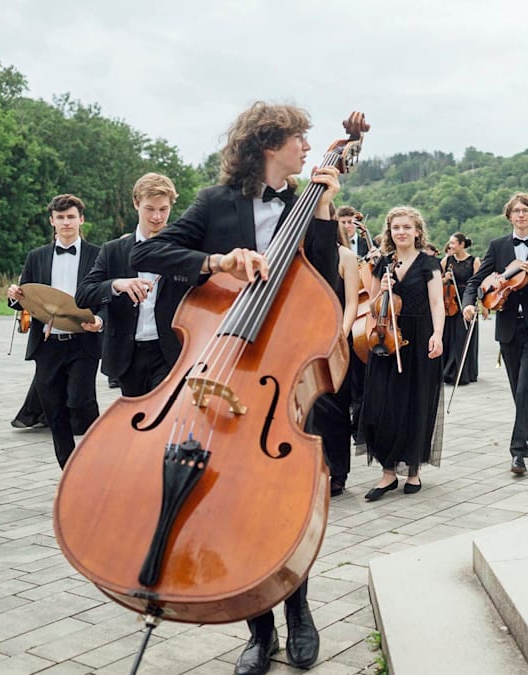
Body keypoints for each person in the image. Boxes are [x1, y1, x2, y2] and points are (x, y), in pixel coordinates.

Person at [130, 101, 343, 675]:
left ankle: (298, 611)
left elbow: (327, 289)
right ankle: (258, 630)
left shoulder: (305, 200)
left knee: (280, 500)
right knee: (228, 501)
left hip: (281, 369)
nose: (307, 148)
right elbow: (147, 251)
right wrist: (216, 262)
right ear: (270, 143)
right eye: (300, 138)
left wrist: (323, 213)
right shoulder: (215, 202)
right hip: (217, 361)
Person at [462, 192, 528, 475]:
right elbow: (477, 282)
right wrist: (470, 303)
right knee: (517, 388)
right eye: (515, 211)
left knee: (525, 386)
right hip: (508, 328)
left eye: (525, 210)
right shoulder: (498, 246)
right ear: (509, 216)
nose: (520, 215)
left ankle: (517, 452)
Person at [7, 194, 103, 468]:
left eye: (71, 217)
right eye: (60, 217)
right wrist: (14, 295)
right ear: (52, 221)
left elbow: (107, 297)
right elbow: (23, 298)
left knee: (80, 401)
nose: (66, 222)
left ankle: (99, 449)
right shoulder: (36, 256)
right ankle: (69, 468)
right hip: (47, 344)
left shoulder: (98, 254)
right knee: (54, 409)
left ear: (81, 220)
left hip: (83, 341)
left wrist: (100, 320)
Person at [359, 206, 445, 500]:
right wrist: (382, 290)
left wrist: (437, 335)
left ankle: (413, 471)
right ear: (390, 232)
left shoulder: (429, 264)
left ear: (417, 232)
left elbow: (437, 304)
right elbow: (371, 305)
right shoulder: (382, 262)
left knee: (416, 402)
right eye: (396, 228)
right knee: (383, 405)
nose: (401, 232)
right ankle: (387, 474)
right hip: (387, 338)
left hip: (419, 337)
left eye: (407, 227)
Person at [76, 173, 187, 397]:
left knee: (162, 417)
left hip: (170, 352)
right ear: (136, 203)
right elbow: (83, 295)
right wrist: (117, 285)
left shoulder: (183, 248)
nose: (157, 217)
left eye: (163, 209)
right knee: (135, 423)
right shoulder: (113, 250)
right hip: (126, 356)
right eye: (149, 209)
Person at [305, 203, 363, 497]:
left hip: (337, 338)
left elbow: (352, 301)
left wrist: (340, 334)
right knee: (310, 408)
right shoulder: (302, 257)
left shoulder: (346, 256)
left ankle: (338, 472)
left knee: (337, 408)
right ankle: (313, 469)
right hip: (305, 340)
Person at [441, 232, 480, 385]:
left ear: (462, 244)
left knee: (463, 336)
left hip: (467, 300)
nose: (450, 245)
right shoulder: (447, 260)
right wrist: (446, 278)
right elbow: (438, 280)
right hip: (450, 301)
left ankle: (464, 372)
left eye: (453, 243)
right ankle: (448, 371)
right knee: (450, 337)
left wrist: (480, 304)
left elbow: (478, 283)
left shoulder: (474, 261)